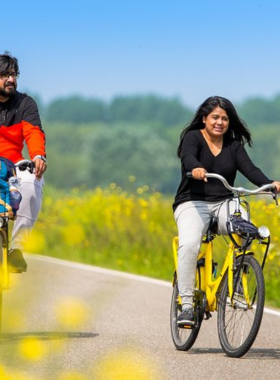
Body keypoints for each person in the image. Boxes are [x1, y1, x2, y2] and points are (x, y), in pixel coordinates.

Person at [173, 96, 280, 327]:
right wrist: (196, 168)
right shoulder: (193, 137)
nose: (220, 122)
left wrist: (271, 183)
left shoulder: (234, 146)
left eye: (224, 118)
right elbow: (187, 156)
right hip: (192, 202)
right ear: (204, 119)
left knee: (245, 229)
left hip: (224, 201)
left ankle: (237, 282)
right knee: (190, 245)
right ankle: (188, 305)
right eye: (215, 117)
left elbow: (250, 169)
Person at [0, 51, 47, 273]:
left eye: (14, 74)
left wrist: (38, 155)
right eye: (4, 74)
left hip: (13, 165)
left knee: (32, 180)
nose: (11, 79)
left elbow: (34, 133)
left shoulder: (25, 103)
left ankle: (16, 249)